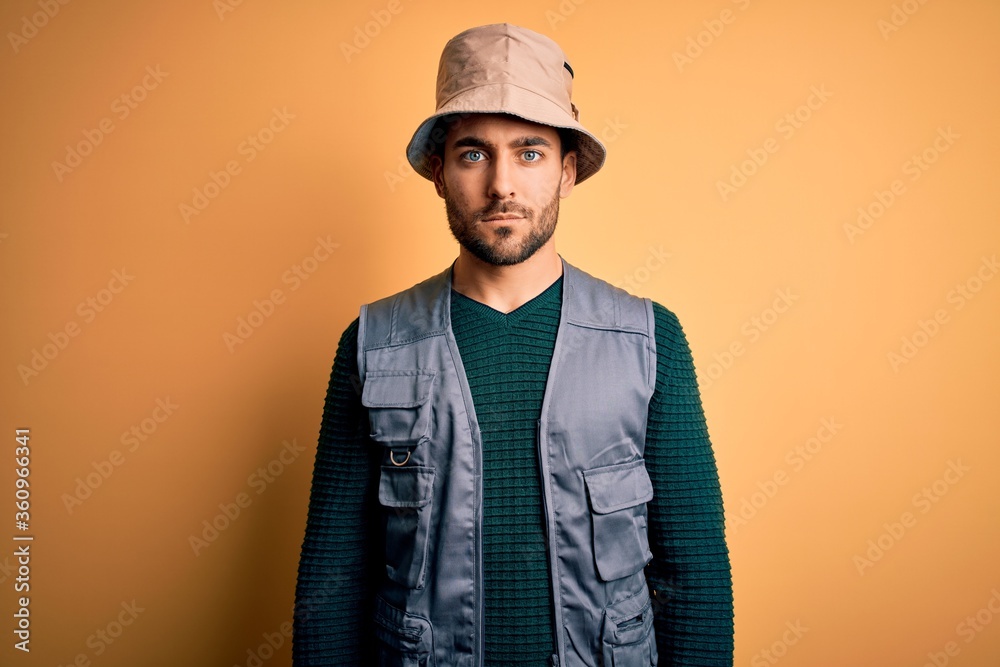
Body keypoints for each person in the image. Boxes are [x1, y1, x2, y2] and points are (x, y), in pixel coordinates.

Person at [293, 22, 733, 667]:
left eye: (530, 152)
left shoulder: (649, 339)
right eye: (474, 153)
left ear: (566, 172)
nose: (502, 184)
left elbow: (692, 572)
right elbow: (334, 575)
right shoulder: (372, 343)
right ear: (439, 173)